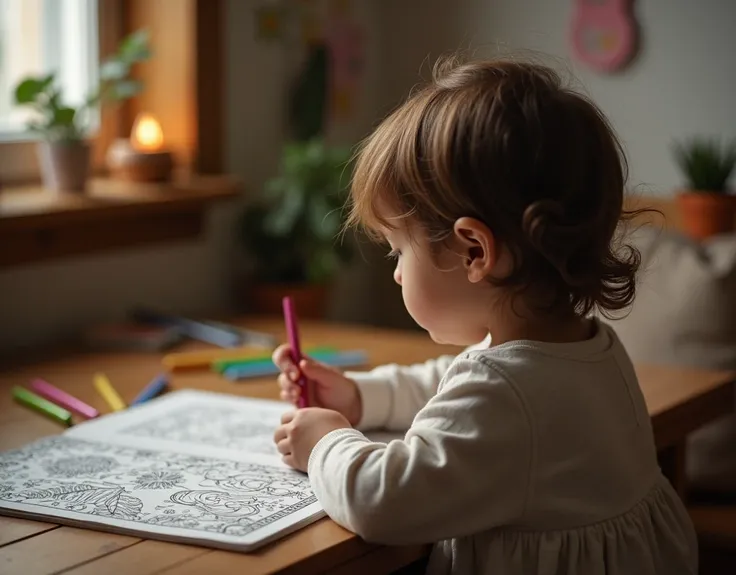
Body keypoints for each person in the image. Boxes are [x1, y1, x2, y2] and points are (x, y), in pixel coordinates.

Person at [272, 56, 697, 574]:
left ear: (474, 251)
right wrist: (361, 397)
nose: (397, 275)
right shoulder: (585, 347)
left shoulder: (505, 392)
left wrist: (325, 440)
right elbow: (449, 384)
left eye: (397, 252)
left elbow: (383, 502)